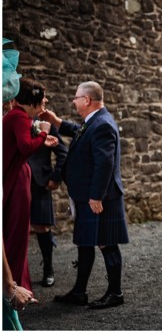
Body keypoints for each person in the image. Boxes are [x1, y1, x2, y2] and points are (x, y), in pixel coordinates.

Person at [40, 82, 128, 309]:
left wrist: (96, 196)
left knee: (107, 243)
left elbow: (104, 164)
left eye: (76, 97)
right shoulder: (95, 122)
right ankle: (79, 291)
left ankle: (115, 293)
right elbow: (79, 132)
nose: (73, 101)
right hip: (89, 196)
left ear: (87, 100)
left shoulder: (102, 125)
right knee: (85, 243)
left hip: (101, 198)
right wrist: (57, 122)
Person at [3, 79, 57, 292]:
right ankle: (15, 286)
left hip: (16, 177)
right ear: (32, 100)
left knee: (16, 230)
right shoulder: (19, 117)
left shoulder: (15, 116)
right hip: (17, 183)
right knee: (17, 232)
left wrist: (40, 138)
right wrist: (43, 131)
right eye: (42, 97)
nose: (44, 100)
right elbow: (26, 147)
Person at [28, 113, 67, 288]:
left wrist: (56, 177)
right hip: (14, 178)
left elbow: (62, 151)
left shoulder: (44, 122)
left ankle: (48, 269)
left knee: (42, 227)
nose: (46, 100)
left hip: (39, 181)